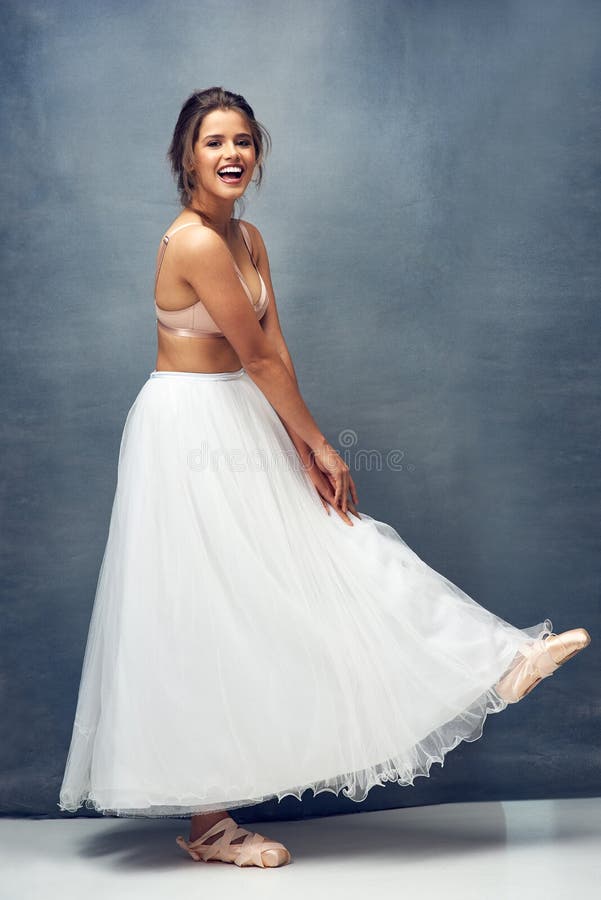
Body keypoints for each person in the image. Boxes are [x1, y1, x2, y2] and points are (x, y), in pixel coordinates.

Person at [57, 87, 591, 869]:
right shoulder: (196, 244)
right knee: (206, 607)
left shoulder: (247, 238)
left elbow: (279, 349)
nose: (232, 154)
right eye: (213, 143)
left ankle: (492, 660)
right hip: (187, 428)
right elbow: (258, 357)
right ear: (185, 157)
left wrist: (301, 443)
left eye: (244, 140)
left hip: (239, 413)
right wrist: (320, 443)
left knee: (333, 549)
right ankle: (210, 826)